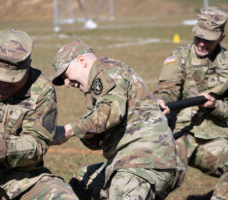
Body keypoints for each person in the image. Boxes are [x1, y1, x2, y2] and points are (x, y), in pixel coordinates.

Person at [52, 39, 186, 200]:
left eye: (66, 74)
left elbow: (111, 112)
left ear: (81, 60)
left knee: (122, 188)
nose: (66, 83)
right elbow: (101, 136)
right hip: (128, 159)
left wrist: (69, 130)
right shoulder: (97, 85)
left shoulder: (107, 71)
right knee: (81, 184)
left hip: (147, 158)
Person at [0, 29, 78, 199]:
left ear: (28, 66)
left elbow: (37, 143)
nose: (4, 84)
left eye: (12, 79)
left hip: (25, 177)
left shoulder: (42, 89)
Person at [153, 7, 228, 200]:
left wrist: (217, 106)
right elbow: (167, 90)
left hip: (211, 140)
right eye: (198, 36)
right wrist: (163, 101)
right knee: (165, 178)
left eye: (208, 39)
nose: (201, 43)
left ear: (221, 37)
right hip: (178, 135)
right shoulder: (179, 57)